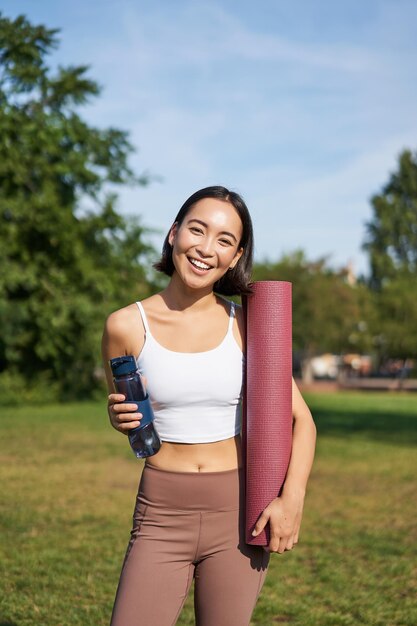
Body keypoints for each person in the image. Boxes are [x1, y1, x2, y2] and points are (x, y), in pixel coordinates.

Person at [102, 186, 316, 626]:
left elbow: (302, 421)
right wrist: (118, 419)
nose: (205, 248)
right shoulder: (125, 325)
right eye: (196, 230)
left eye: (224, 240)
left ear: (236, 257)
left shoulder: (249, 324)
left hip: (240, 511)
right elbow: (132, 416)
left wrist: (290, 501)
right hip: (161, 510)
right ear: (173, 233)